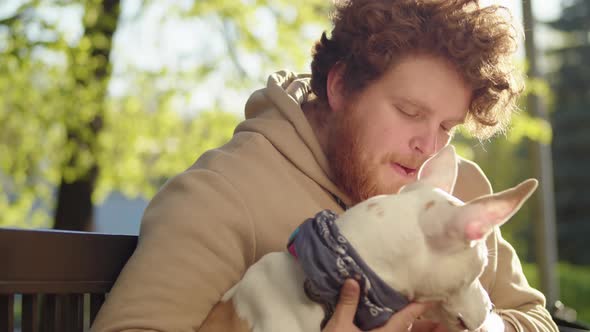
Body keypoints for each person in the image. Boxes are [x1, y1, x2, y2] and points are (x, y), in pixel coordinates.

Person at [91, 0, 559, 331]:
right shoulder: (223, 194)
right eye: (410, 113)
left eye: (447, 126)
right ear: (339, 87)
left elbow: (538, 320)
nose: (428, 147)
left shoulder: (457, 194)